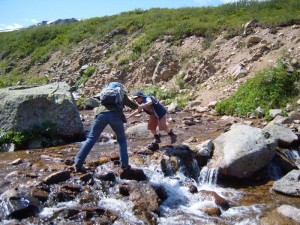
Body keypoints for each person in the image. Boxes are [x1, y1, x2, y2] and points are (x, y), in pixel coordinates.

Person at [74, 82, 138, 173]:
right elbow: (132, 105)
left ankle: (78, 163)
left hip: (101, 115)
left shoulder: (104, 92)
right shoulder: (121, 93)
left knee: (91, 139)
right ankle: (124, 165)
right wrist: (140, 107)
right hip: (116, 115)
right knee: (121, 140)